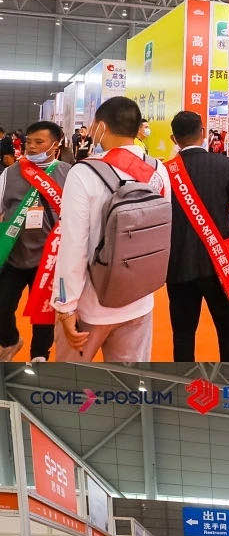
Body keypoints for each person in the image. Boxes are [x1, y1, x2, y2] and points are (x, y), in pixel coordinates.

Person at [52, 96, 171, 363]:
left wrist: (65, 305)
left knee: (68, 379)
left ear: (101, 127)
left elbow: (73, 245)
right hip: (140, 300)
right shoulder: (158, 171)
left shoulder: (84, 173)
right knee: (131, 380)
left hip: (92, 305)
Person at [166, 110, 229, 363]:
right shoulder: (223, 165)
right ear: (203, 133)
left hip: (178, 265)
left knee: (183, 335)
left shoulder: (165, 172)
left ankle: (184, 382)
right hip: (219, 266)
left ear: (173, 138)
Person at [0, 121, 71, 363]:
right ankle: (10, 340)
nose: (31, 147)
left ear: (56, 144)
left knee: (44, 313)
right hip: (14, 255)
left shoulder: (68, 174)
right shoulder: (10, 173)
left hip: (49, 260)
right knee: (2, 306)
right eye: (28, 142)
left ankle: (39, 355)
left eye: (39, 142)